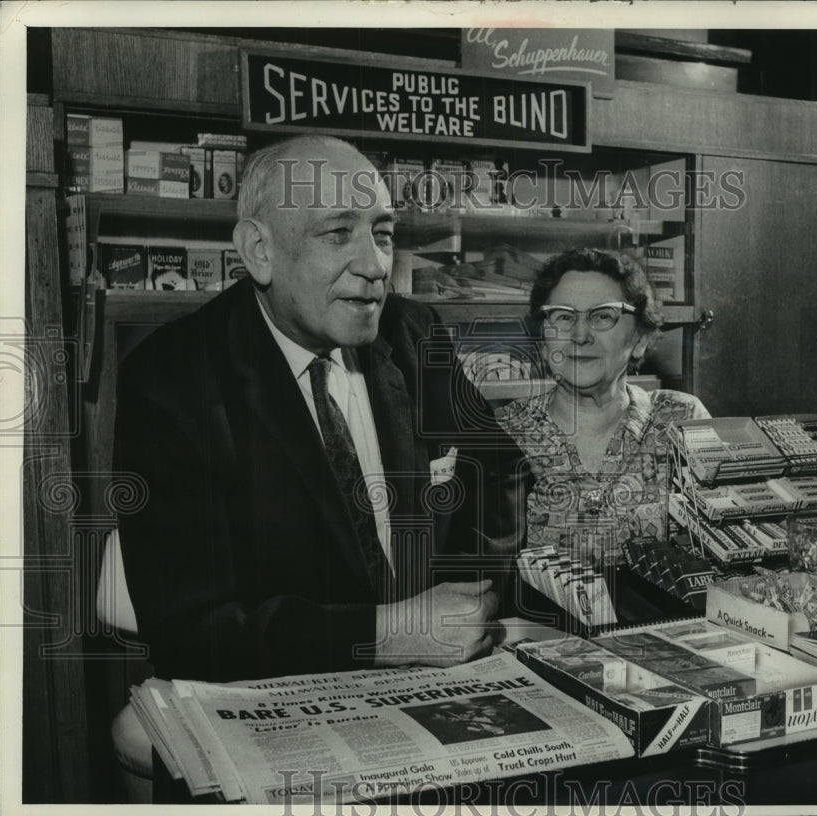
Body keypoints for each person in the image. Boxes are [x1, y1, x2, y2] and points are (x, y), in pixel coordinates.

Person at [114, 135, 523, 682]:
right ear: (260, 251)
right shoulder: (171, 380)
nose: (375, 265)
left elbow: (500, 471)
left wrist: (463, 602)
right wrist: (392, 632)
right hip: (280, 691)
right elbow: (190, 631)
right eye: (337, 233)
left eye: (382, 234)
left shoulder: (413, 331)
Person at [495, 248, 709, 567]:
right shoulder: (504, 431)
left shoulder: (683, 420)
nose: (580, 336)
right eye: (564, 316)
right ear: (543, 338)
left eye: (603, 316)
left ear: (639, 338)